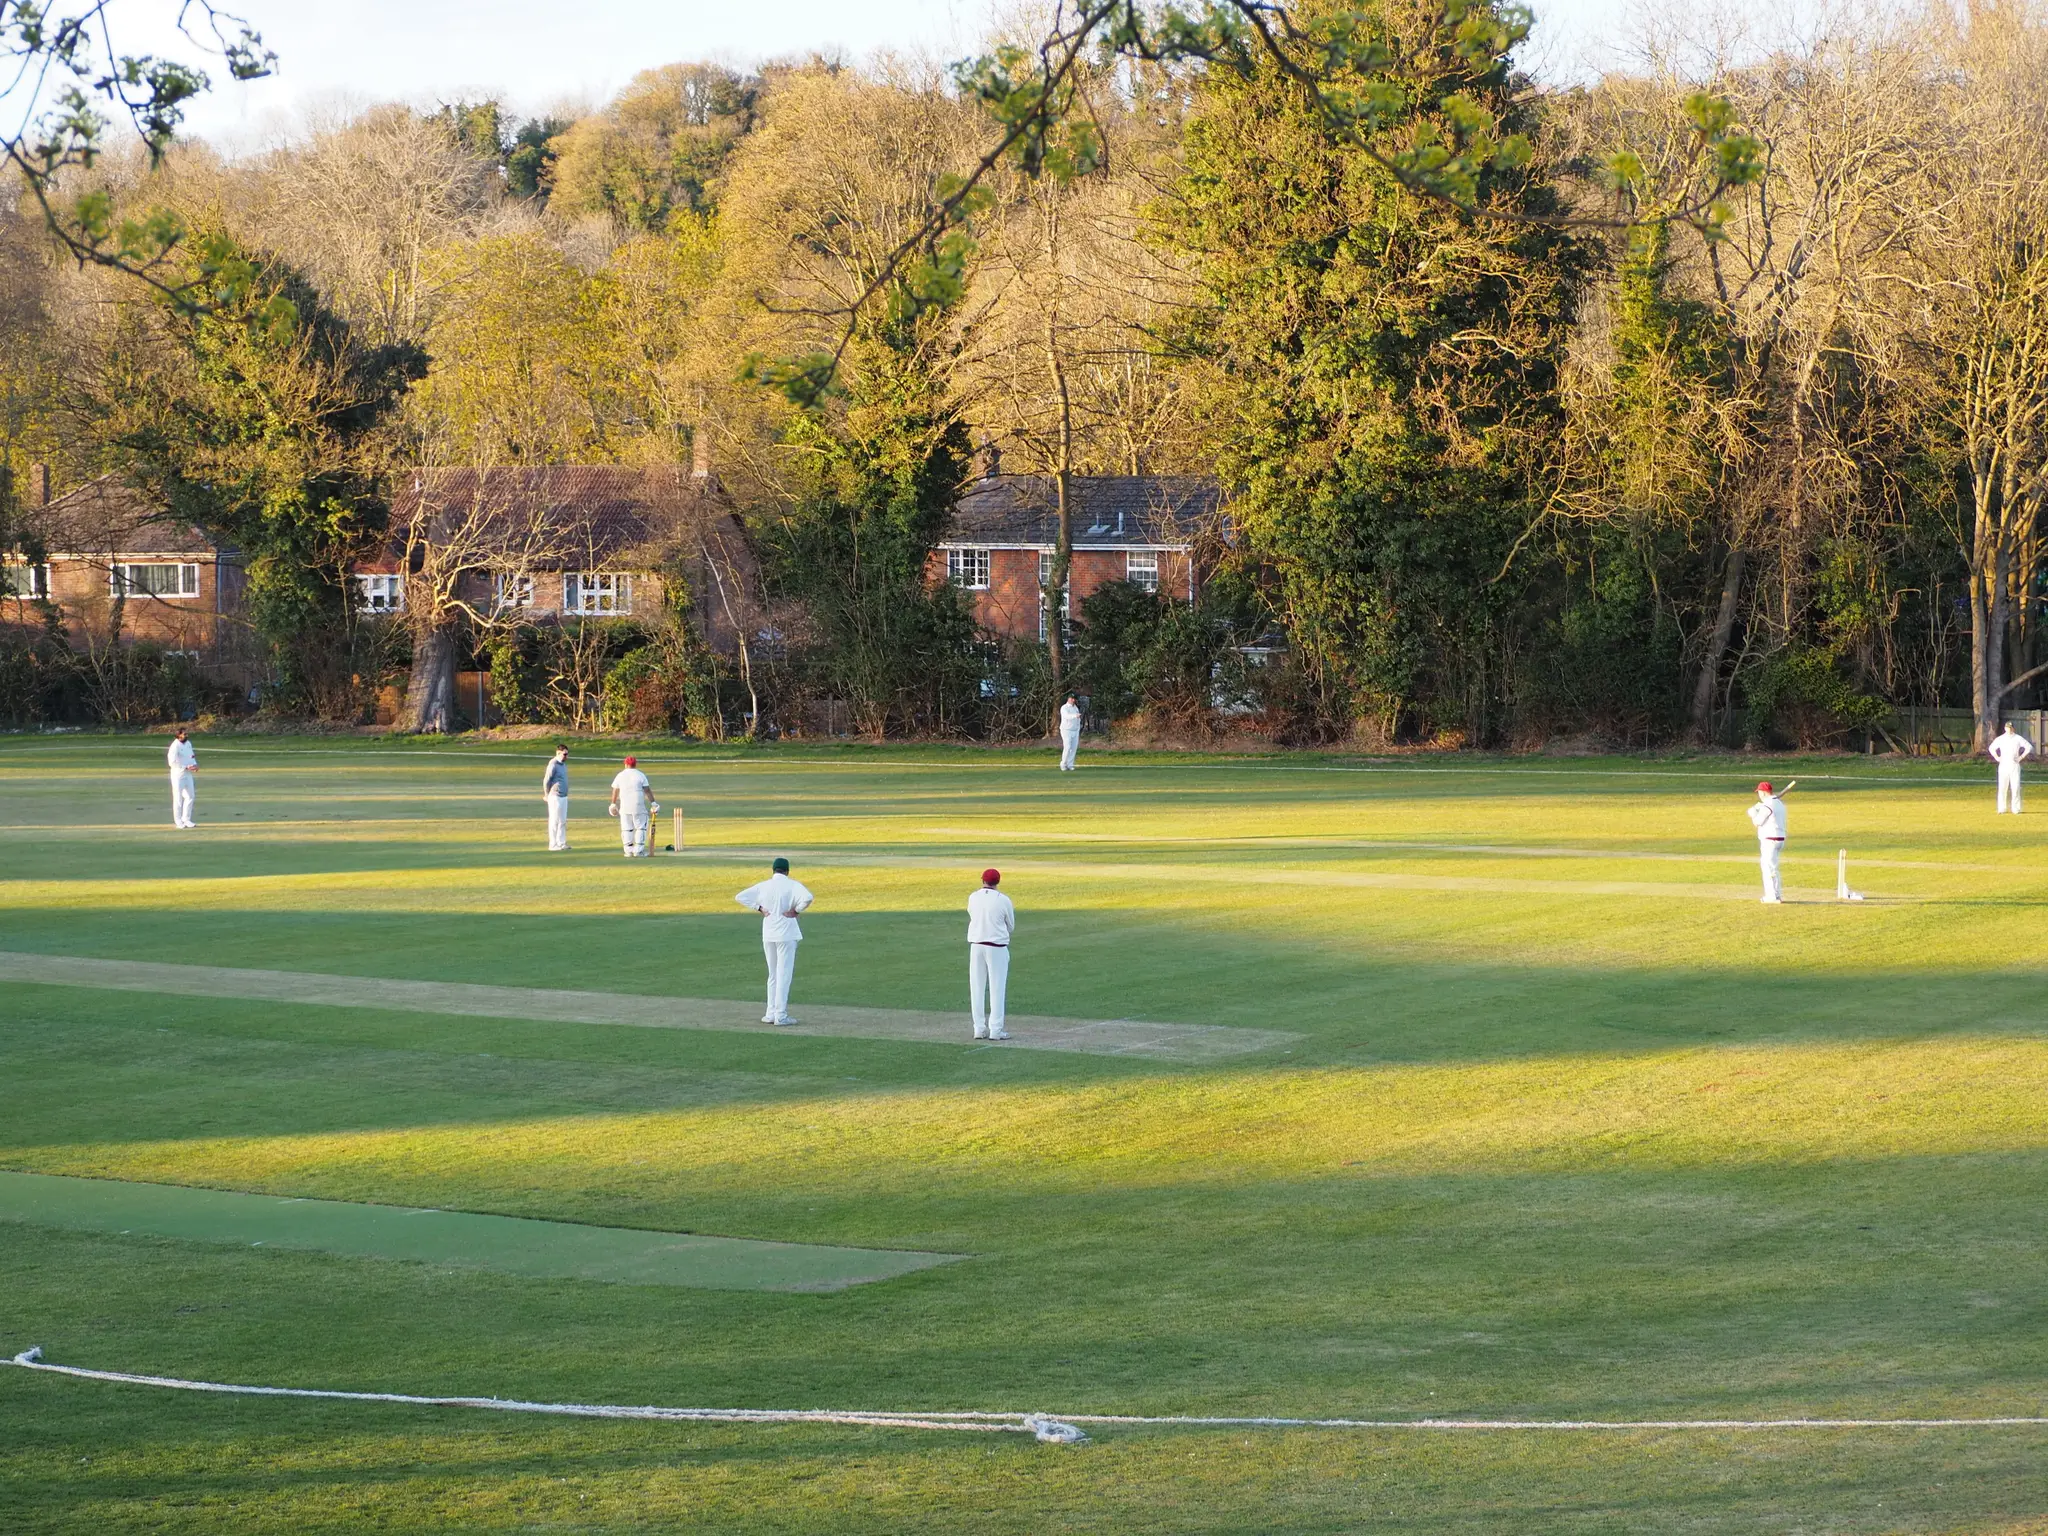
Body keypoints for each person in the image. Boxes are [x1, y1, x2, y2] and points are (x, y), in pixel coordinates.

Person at [736, 857, 813, 1025]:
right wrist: (796, 910)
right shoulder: (793, 885)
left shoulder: (764, 885)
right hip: (786, 934)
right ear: (787, 871)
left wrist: (760, 908)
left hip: (769, 934)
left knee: (773, 974)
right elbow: (808, 897)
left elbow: (740, 896)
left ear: (773, 870)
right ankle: (781, 1015)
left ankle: (770, 1013)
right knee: (783, 974)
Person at [966, 867, 1016, 1041]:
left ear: (982, 880)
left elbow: (973, 915)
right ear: (998, 882)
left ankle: (979, 1028)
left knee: (977, 988)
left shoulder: (973, 897)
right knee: (997, 988)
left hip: (976, 946)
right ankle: (995, 1030)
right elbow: (1011, 925)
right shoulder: (1003, 900)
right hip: (997, 947)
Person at [608, 755, 658, 858]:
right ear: (635, 764)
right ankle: (638, 851)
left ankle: (628, 851)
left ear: (625, 764)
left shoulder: (620, 775)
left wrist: (613, 803)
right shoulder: (640, 775)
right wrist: (653, 803)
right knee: (640, 828)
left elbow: (615, 790)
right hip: (638, 805)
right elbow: (647, 790)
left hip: (625, 806)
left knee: (627, 829)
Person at [1747, 780, 1788, 904]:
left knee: (1768, 868)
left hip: (1770, 839)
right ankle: (1776, 895)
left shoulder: (1768, 805)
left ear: (1764, 792)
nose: (1758, 794)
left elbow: (1758, 822)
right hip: (1779, 838)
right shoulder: (1779, 803)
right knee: (1773, 868)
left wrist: (1753, 813)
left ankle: (1772, 896)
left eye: (1759, 792)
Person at [1989, 722, 2033, 814]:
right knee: (2002, 787)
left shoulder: (2017, 738)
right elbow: (1991, 748)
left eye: (2010, 727)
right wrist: (1997, 757)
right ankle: (2002, 808)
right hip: (2004, 765)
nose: (2008, 729)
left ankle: (2016, 808)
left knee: (2015, 787)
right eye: (2007, 727)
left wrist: (2021, 757)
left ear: (2013, 728)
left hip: (2014, 765)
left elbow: (2028, 747)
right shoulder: (2001, 739)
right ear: (2005, 728)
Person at [166, 726, 197, 829]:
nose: (186, 735)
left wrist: (194, 765)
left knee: (190, 796)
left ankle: (186, 819)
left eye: (187, 734)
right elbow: (172, 762)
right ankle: (178, 821)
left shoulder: (188, 744)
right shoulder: (174, 746)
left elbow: (191, 756)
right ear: (178, 735)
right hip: (178, 775)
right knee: (178, 798)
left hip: (188, 774)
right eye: (184, 734)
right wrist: (185, 767)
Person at [542, 745, 570, 851]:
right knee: (554, 820)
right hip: (555, 795)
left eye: (567, 754)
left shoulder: (563, 765)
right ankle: (553, 844)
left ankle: (561, 842)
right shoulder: (553, 764)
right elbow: (546, 780)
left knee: (562, 820)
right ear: (558, 753)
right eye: (564, 754)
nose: (566, 756)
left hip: (563, 795)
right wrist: (546, 794)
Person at [1057, 695, 1082, 772]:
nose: (1073, 700)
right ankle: (1063, 764)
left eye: (1074, 699)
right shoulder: (1064, 708)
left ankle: (1070, 764)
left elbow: (1078, 719)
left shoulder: (1075, 708)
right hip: (1066, 730)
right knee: (1067, 747)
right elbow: (1066, 716)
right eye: (1071, 698)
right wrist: (1075, 716)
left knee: (1073, 748)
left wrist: (1078, 727)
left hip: (1075, 730)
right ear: (1068, 699)